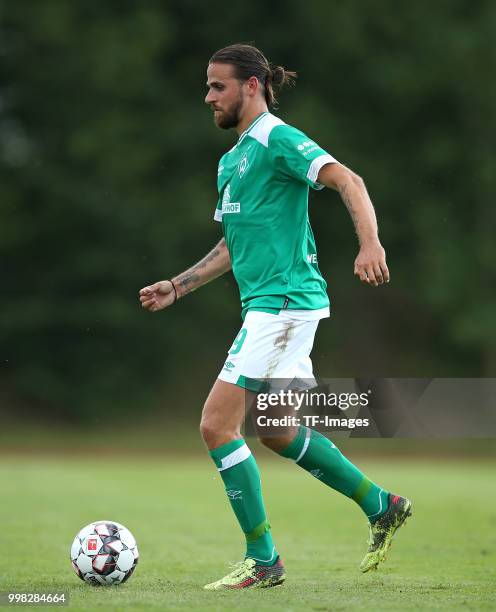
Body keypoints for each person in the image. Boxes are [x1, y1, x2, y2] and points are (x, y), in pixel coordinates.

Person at [139, 44, 412, 590]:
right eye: (208, 86)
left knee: (217, 425)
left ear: (254, 85)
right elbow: (233, 244)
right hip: (280, 305)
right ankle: (382, 505)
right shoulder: (231, 158)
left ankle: (264, 561)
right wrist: (180, 285)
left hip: (282, 304)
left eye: (219, 86)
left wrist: (370, 245)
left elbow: (348, 181)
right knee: (277, 431)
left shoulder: (276, 138)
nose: (208, 96)